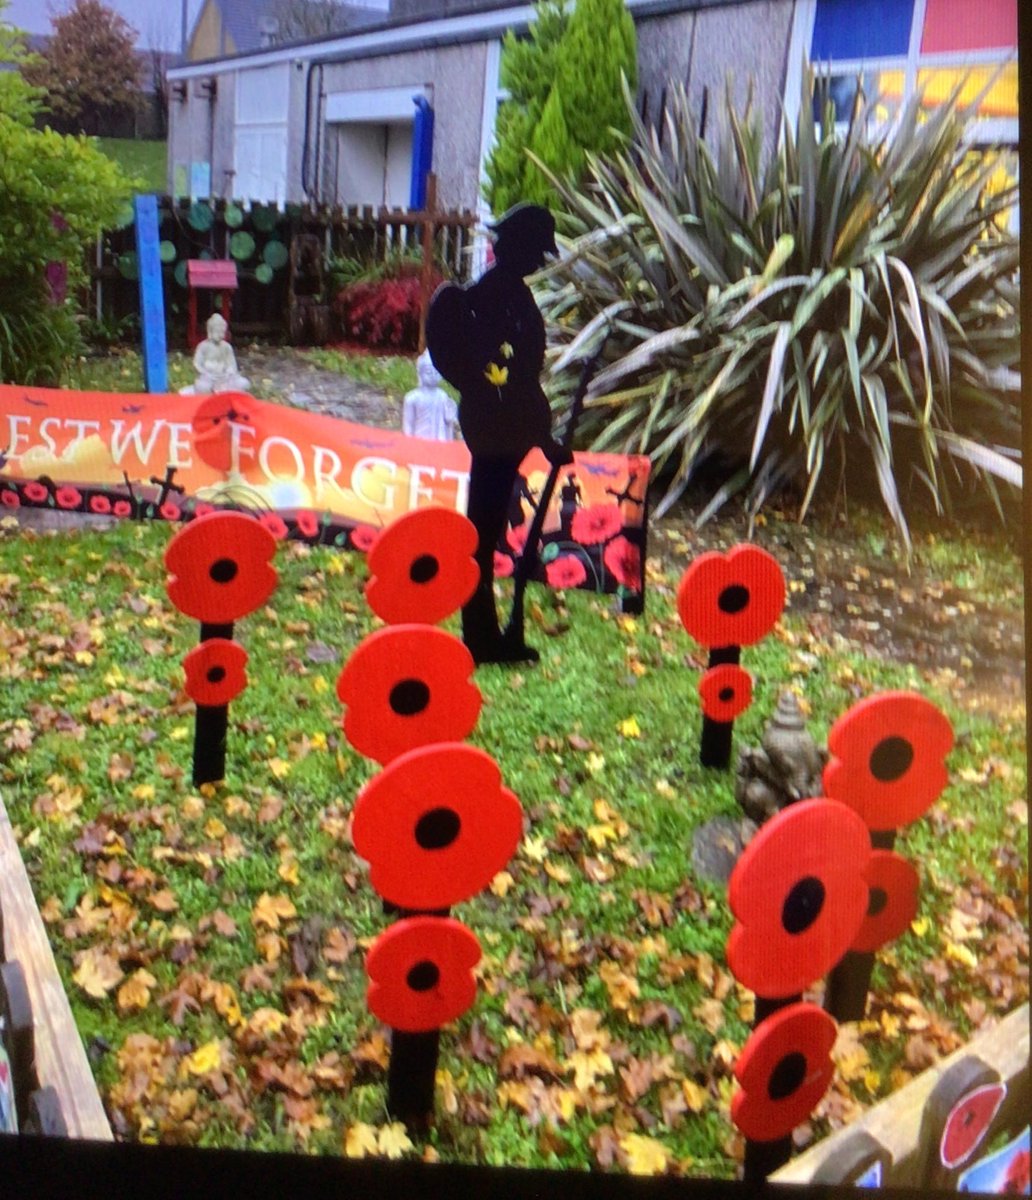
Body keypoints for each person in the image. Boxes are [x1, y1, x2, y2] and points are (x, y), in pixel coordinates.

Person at [426, 203, 571, 665]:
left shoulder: (516, 297)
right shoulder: (490, 299)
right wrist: (532, 429)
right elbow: (505, 375)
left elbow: (527, 379)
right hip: (492, 431)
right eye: (533, 254)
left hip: (512, 430)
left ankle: (494, 634)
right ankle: (482, 636)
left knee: (492, 534)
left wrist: (542, 438)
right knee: (482, 538)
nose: (536, 265)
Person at [181, 312, 250, 395]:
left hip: (224, 378)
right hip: (209, 378)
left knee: (244, 383)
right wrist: (205, 373)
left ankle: (224, 391)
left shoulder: (226, 347)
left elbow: (231, 365)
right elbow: (197, 363)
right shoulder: (203, 346)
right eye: (218, 332)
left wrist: (229, 372)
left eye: (222, 332)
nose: (221, 335)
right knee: (202, 387)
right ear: (210, 331)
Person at [402, 351, 458, 440]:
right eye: (428, 372)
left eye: (436, 372)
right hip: (419, 441)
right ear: (420, 373)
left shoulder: (442, 396)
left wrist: (450, 418)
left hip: (439, 441)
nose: (433, 375)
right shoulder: (412, 398)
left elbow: (448, 422)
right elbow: (408, 425)